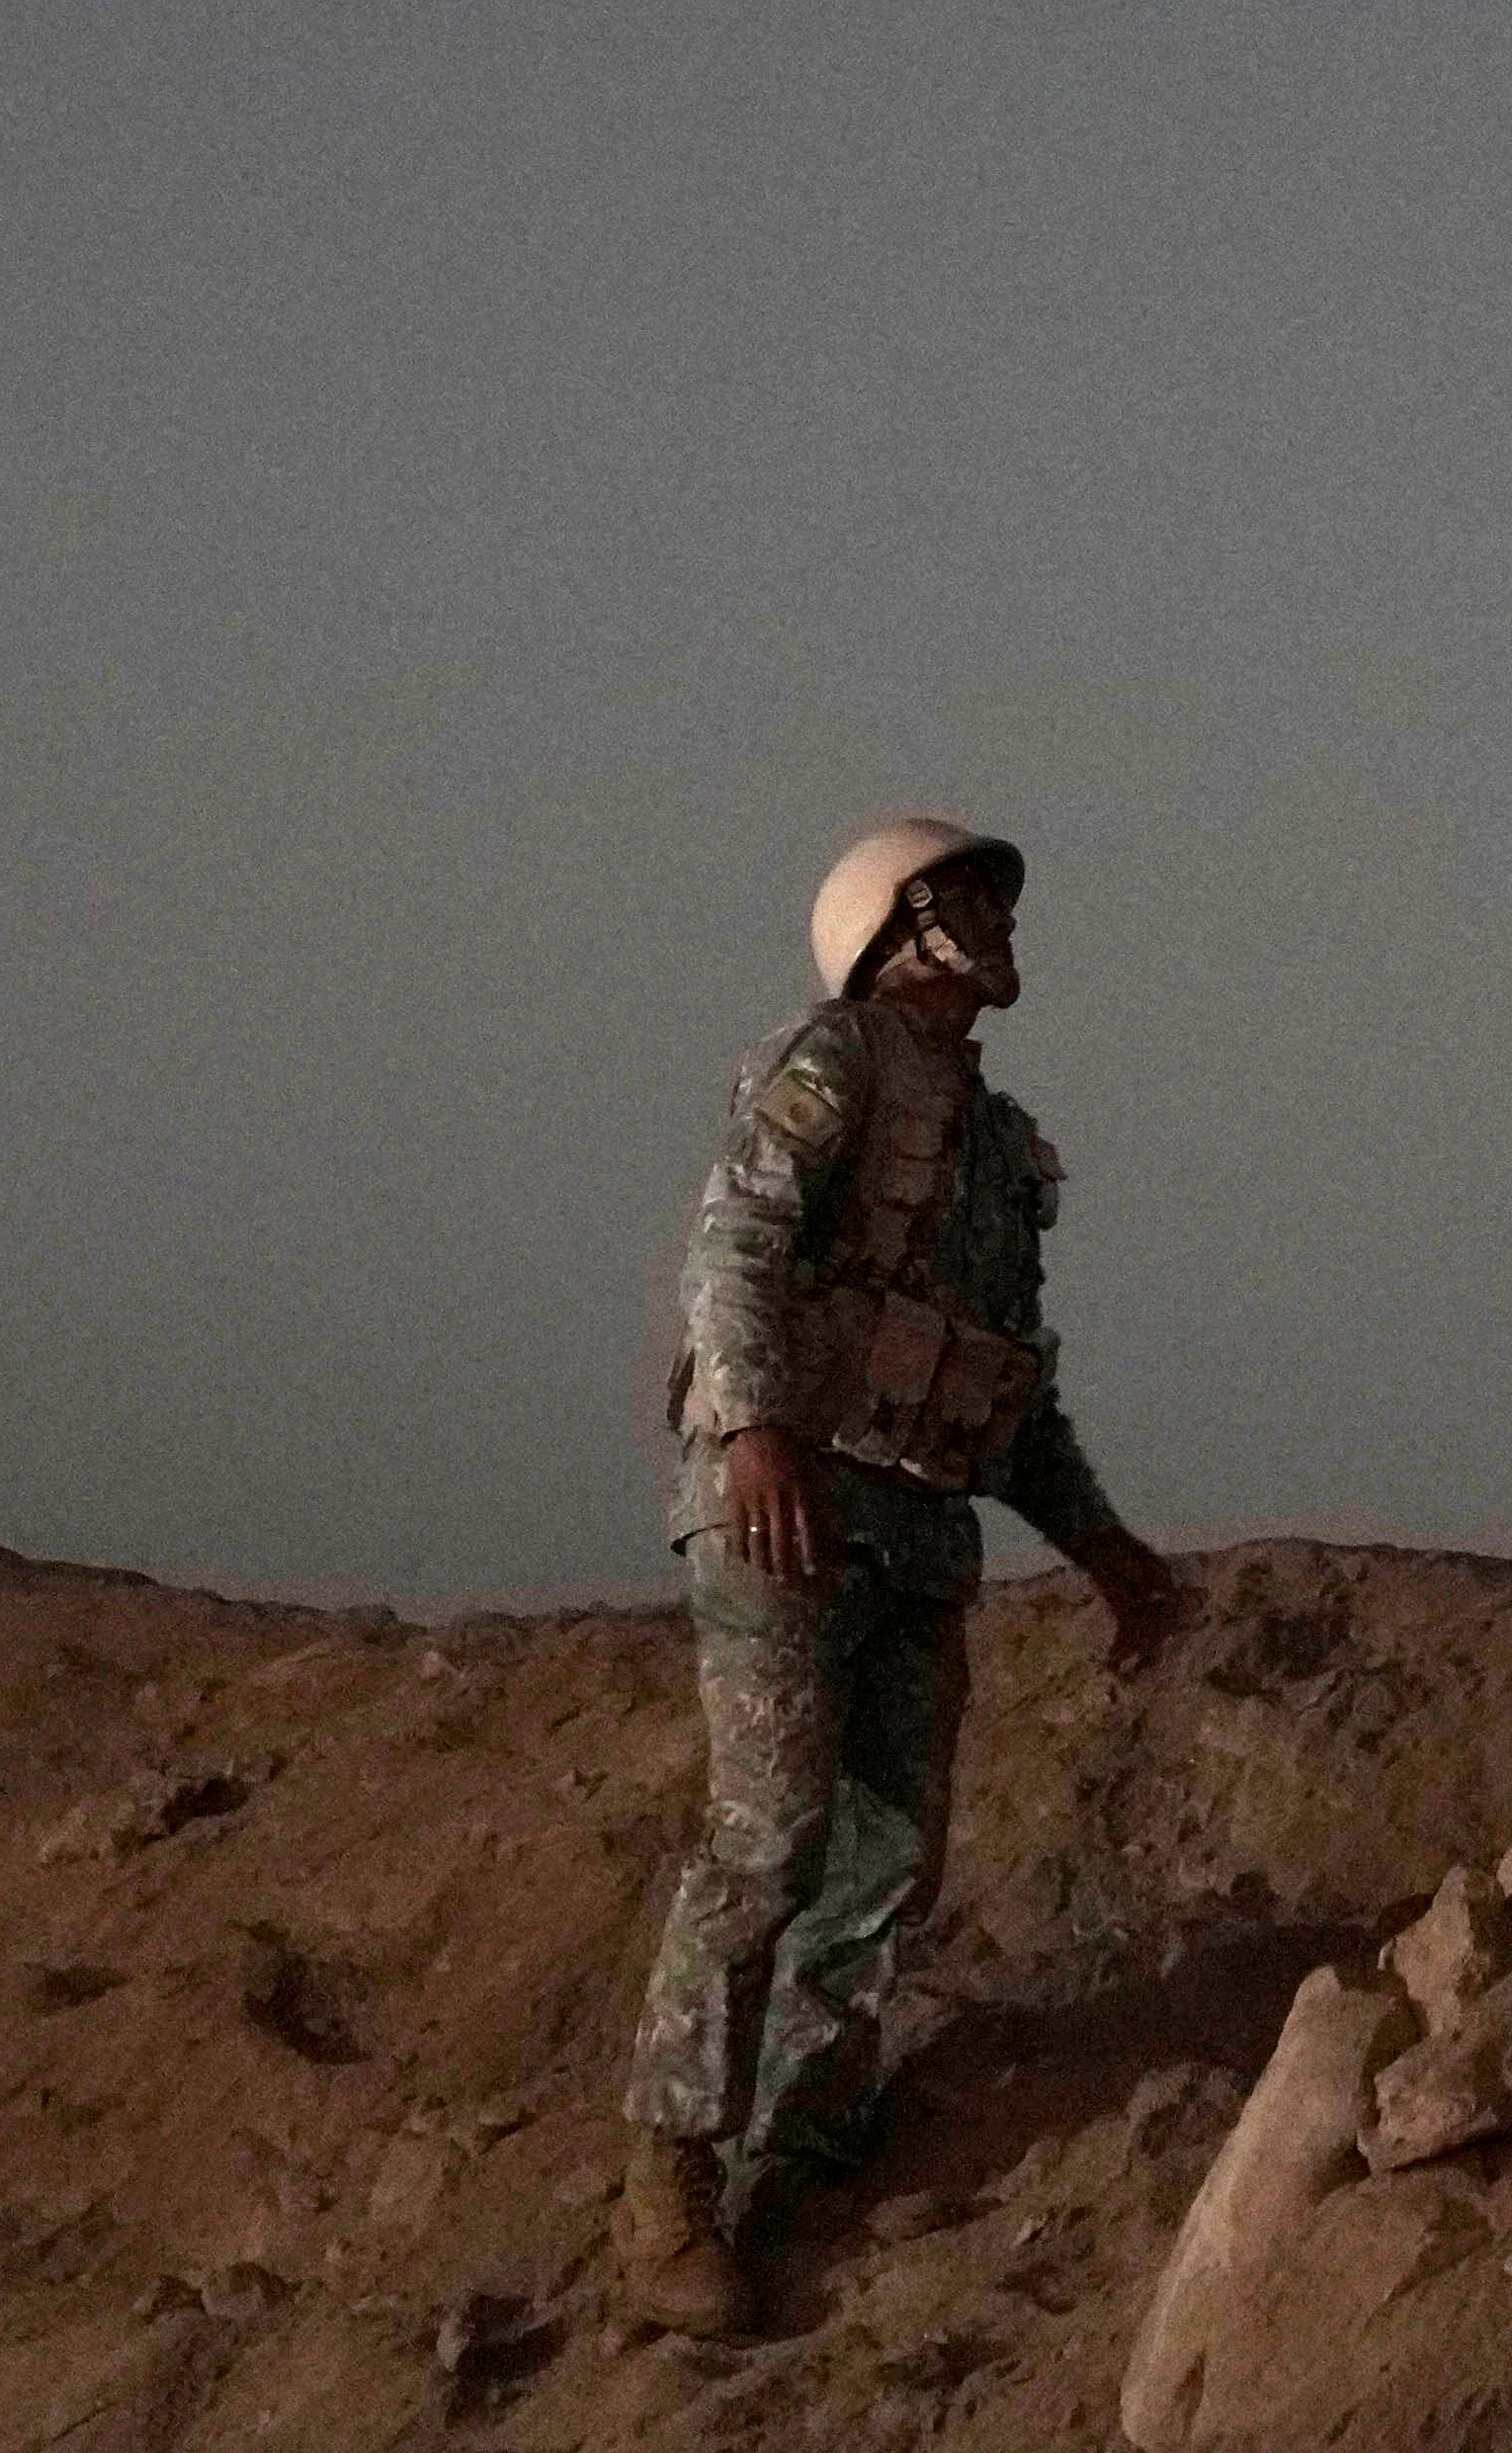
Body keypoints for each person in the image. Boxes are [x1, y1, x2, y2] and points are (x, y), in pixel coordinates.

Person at [613, 815, 1182, 2338]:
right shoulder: (833, 1060)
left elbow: (1009, 1381)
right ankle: (666, 2182)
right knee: (768, 1837)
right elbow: (733, 1248)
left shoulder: (999, 1147)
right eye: (966, 899)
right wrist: (754, 1432)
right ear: (893, 927)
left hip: (919, 1529)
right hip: (785, 1510)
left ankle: (799, 2147)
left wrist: (1107, 1550)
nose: (998, 921)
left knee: (884, 1866)